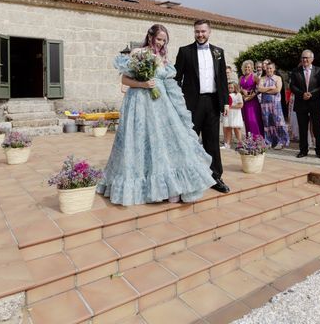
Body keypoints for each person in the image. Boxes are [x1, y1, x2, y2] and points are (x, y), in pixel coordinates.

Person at [98, 24, 216, 205]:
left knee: (166, 142)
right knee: (140, 142)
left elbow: (168, 84)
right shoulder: (138, 52)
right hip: (139, 103)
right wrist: (143, 85)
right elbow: (124, 79)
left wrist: (178, 107)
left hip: (161, 104)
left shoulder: (163, 57)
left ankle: (171, 187)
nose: (161, 43)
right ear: (150, 36)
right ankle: (145, 188)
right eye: (159, 39)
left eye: (164, 41)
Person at [175, 20, 230, 194]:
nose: (200, 34)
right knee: (189, 140)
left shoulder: (218, 52)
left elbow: (222, 80)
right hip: (191, 103)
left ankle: (215, 177)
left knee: (212, 141)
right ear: (194, 32)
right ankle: (186, 177)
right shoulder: (185, 52)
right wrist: (177, 101)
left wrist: (225, 102)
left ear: (209, 32)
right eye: (197, 31)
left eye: (203, 31)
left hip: (213, 102)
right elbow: (176, 78)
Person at [290, 50, 320, 159]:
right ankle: (303, 150)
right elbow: (292, 86)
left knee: (317, 128)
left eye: (306, 58)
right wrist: (302, 94)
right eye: (303, 58)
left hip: (315, 102)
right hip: (301, 103)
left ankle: (319, 151)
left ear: (312, 59)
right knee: (302, 128)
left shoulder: (319, 71)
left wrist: (312, 94)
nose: (304, 60)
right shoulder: (295, 71)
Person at [258, 62, 290, 149]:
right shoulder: (262, 78)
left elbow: (277, 90)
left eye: (271, 68)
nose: (269, 70)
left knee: (278, 122)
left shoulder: (278, 78)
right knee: (267, 123)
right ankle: (269, 141)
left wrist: (265, 91)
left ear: (274, 69)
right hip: (265, 105)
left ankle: (281, 141)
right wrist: (270, 88)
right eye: (267, 68)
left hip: (275, 104)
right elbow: (259, 88)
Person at [239, 59, 264, 139]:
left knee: (253, 120)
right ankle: (249, 139)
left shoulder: (254, 76)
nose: (247, 69)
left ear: (252, 68)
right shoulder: (241, 77)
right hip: (245, 101)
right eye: (245, 67)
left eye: (249, 67)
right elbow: (238, 89)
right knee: (247, 120)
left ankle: (257, 139)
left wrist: (252, 95)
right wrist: (242, 91)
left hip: (253, 101)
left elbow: (259, 88)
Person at [221, 81, 244, 149]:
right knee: (228, 128)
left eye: (231, 88)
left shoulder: (238, 94)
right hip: (228, 113)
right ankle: (227, 144)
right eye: (228, 88)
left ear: (235, 88)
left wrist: (231, 106)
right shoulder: (226, 94)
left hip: (235, 113)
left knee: (236, 128)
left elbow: (241, 105)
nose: (230, 89)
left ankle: (240, 144)